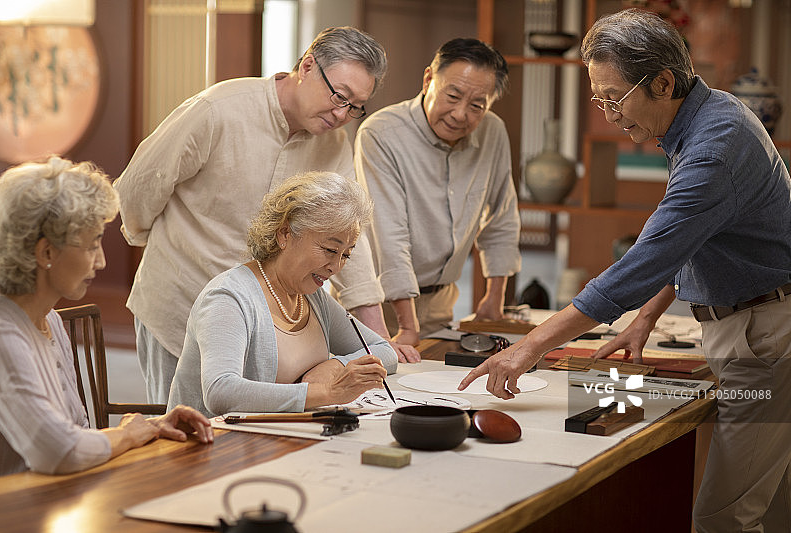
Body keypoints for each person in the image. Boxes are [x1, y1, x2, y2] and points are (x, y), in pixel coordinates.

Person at [459, 9, 791, 533]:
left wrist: (528, 348)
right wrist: (646, 319)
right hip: (755, 325)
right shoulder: (709, 115)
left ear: (663, 83)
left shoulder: (714, 149)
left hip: (764, 339)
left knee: (724, 519)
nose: (609, 113)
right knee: (756, 506)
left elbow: (644, 261)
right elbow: (692, 239)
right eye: (599, 100)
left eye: (614, 98)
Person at [114, 26, 398, 404]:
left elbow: (348, 236)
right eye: (339, 97)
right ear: (308, 66)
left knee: (252, 420)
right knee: (184, 426)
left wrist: (376, 337)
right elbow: (139, 187)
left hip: (267, 318)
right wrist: (164, 248)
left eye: (355, 106)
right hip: (181, 298)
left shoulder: (334, 144)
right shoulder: (219, 109)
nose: (342, 113)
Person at [0, 157, 213, 478]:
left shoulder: (49, 320)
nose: (101, 262)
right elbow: (59, 451)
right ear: (46, 252)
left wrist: (150, 427)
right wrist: (127, 435)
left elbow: (76, 432)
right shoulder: (0, 334)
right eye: (93, 244)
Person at [167, 171, 397, 416]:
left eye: (346, 255)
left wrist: (335, 365)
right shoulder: (228, 298)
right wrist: (328, 392)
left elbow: (384, 350)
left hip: (285, 434)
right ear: (285, 234)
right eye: (330, 250)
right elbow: (220, 392)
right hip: (218, 438)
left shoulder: (310, 296)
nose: (336, 266)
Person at [351, 37, 521, 349]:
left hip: (441, 302)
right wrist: (407, 326)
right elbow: (389, 236)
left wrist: (493, 300)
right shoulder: (381, 134)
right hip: (378, 305)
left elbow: (501, 218)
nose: (460, 114)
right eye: (452, 96)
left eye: (477, 106)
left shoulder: (493, 132)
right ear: (429, 79)